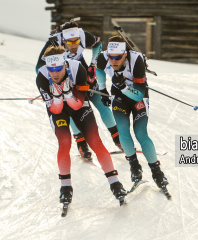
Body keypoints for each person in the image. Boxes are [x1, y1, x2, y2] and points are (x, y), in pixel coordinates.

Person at [36, 45, 127, 204]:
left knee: (95, 141)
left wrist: (66, 93)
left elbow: (77, 104)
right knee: (64, 143)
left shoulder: (77, 68)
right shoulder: (42, 76)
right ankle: (65, 187)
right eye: (52, 68)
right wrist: (57, 97)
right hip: (58, 110)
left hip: (78, 104)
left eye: (58, 68)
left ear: (65, 64)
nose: (55, 73)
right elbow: (55, 108)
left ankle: (115, 183)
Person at [36, 21, 122, 160]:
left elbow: (98, 44)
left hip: (81, 73)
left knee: (100, 103)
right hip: (65, 79)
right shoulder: (53, 44)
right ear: (63, 40)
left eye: (76, 41)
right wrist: (51, 82)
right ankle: (81, 142)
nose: (74, 45)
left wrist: (93, 64)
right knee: (72, 109)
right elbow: (38, 68)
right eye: (69, 42)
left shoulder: (84, 36)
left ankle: (117, 138)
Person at [95, 35, 169, 189]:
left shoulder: (136, 61)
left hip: (137, 95)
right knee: (123, 132)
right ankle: (134, 166)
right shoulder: (103, 57)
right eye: (111, 57)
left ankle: (157, 172)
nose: (113, 60)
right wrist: (102, 88)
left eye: (118, 57)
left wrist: (123, 86)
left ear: (125, 54)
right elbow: (99, 69)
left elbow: (139, 95)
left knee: (140, 133)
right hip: (119, 97)